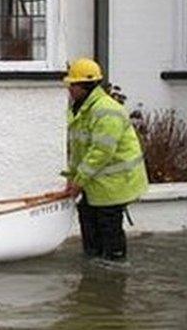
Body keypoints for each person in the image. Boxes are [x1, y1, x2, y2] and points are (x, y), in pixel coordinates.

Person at [63, 58, 148, 261]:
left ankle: (114, 270)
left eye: (72, 85)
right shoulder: (81, 109)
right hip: (97, 184)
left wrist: (79, 181)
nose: (69, 89)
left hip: (115, 184)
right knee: (88, 221)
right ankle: (95, 267)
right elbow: (79, 150)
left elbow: (101, 151)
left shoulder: (107, 111)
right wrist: (72, 179)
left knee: (109, 230)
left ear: (85, 86)